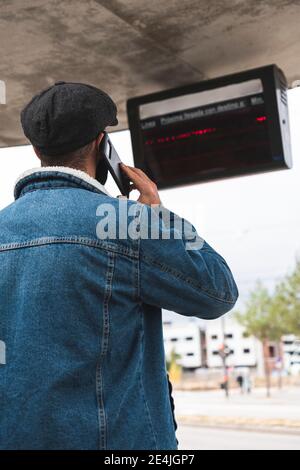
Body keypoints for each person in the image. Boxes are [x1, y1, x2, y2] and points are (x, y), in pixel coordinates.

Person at [0, 82, 238, 450]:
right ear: (101, 143)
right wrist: (158, 215)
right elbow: (218, 290)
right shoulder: (127, 223)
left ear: (36, 149)